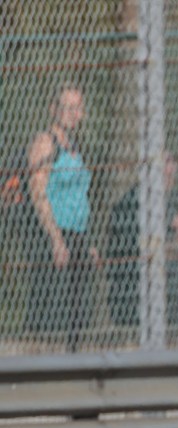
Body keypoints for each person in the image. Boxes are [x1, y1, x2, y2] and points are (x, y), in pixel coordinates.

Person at [25, 83, 98, 351]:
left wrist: (87, 240)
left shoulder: (76, 147)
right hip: (54, 236)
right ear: (54, 109)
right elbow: (38, 193)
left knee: (78, 316)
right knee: (54, 317)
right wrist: (56, 239)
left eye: (77, 108)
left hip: (77, 236)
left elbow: (80, 198)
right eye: (66, 107)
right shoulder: (46, 142)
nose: (72, 113)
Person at [104, 152, 178, 329]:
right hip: (134, 299)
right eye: (167, 164)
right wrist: (175, 244)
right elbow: (140, 248)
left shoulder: (165, 202)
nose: (173, 170)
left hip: (165, 302)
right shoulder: (134, 202)